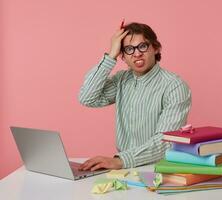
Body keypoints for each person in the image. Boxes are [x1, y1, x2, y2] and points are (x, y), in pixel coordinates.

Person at [78, 22, 191, 171]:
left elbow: (166, 141)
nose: (137, 54)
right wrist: (111, 55)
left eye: (142, 46)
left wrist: (121, 161)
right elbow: (87, 97)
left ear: (156, 48)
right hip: (122, 169)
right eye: (129, 49)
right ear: (123, 56)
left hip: (158, 170)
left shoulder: (174, 86)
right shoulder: (121, 80)